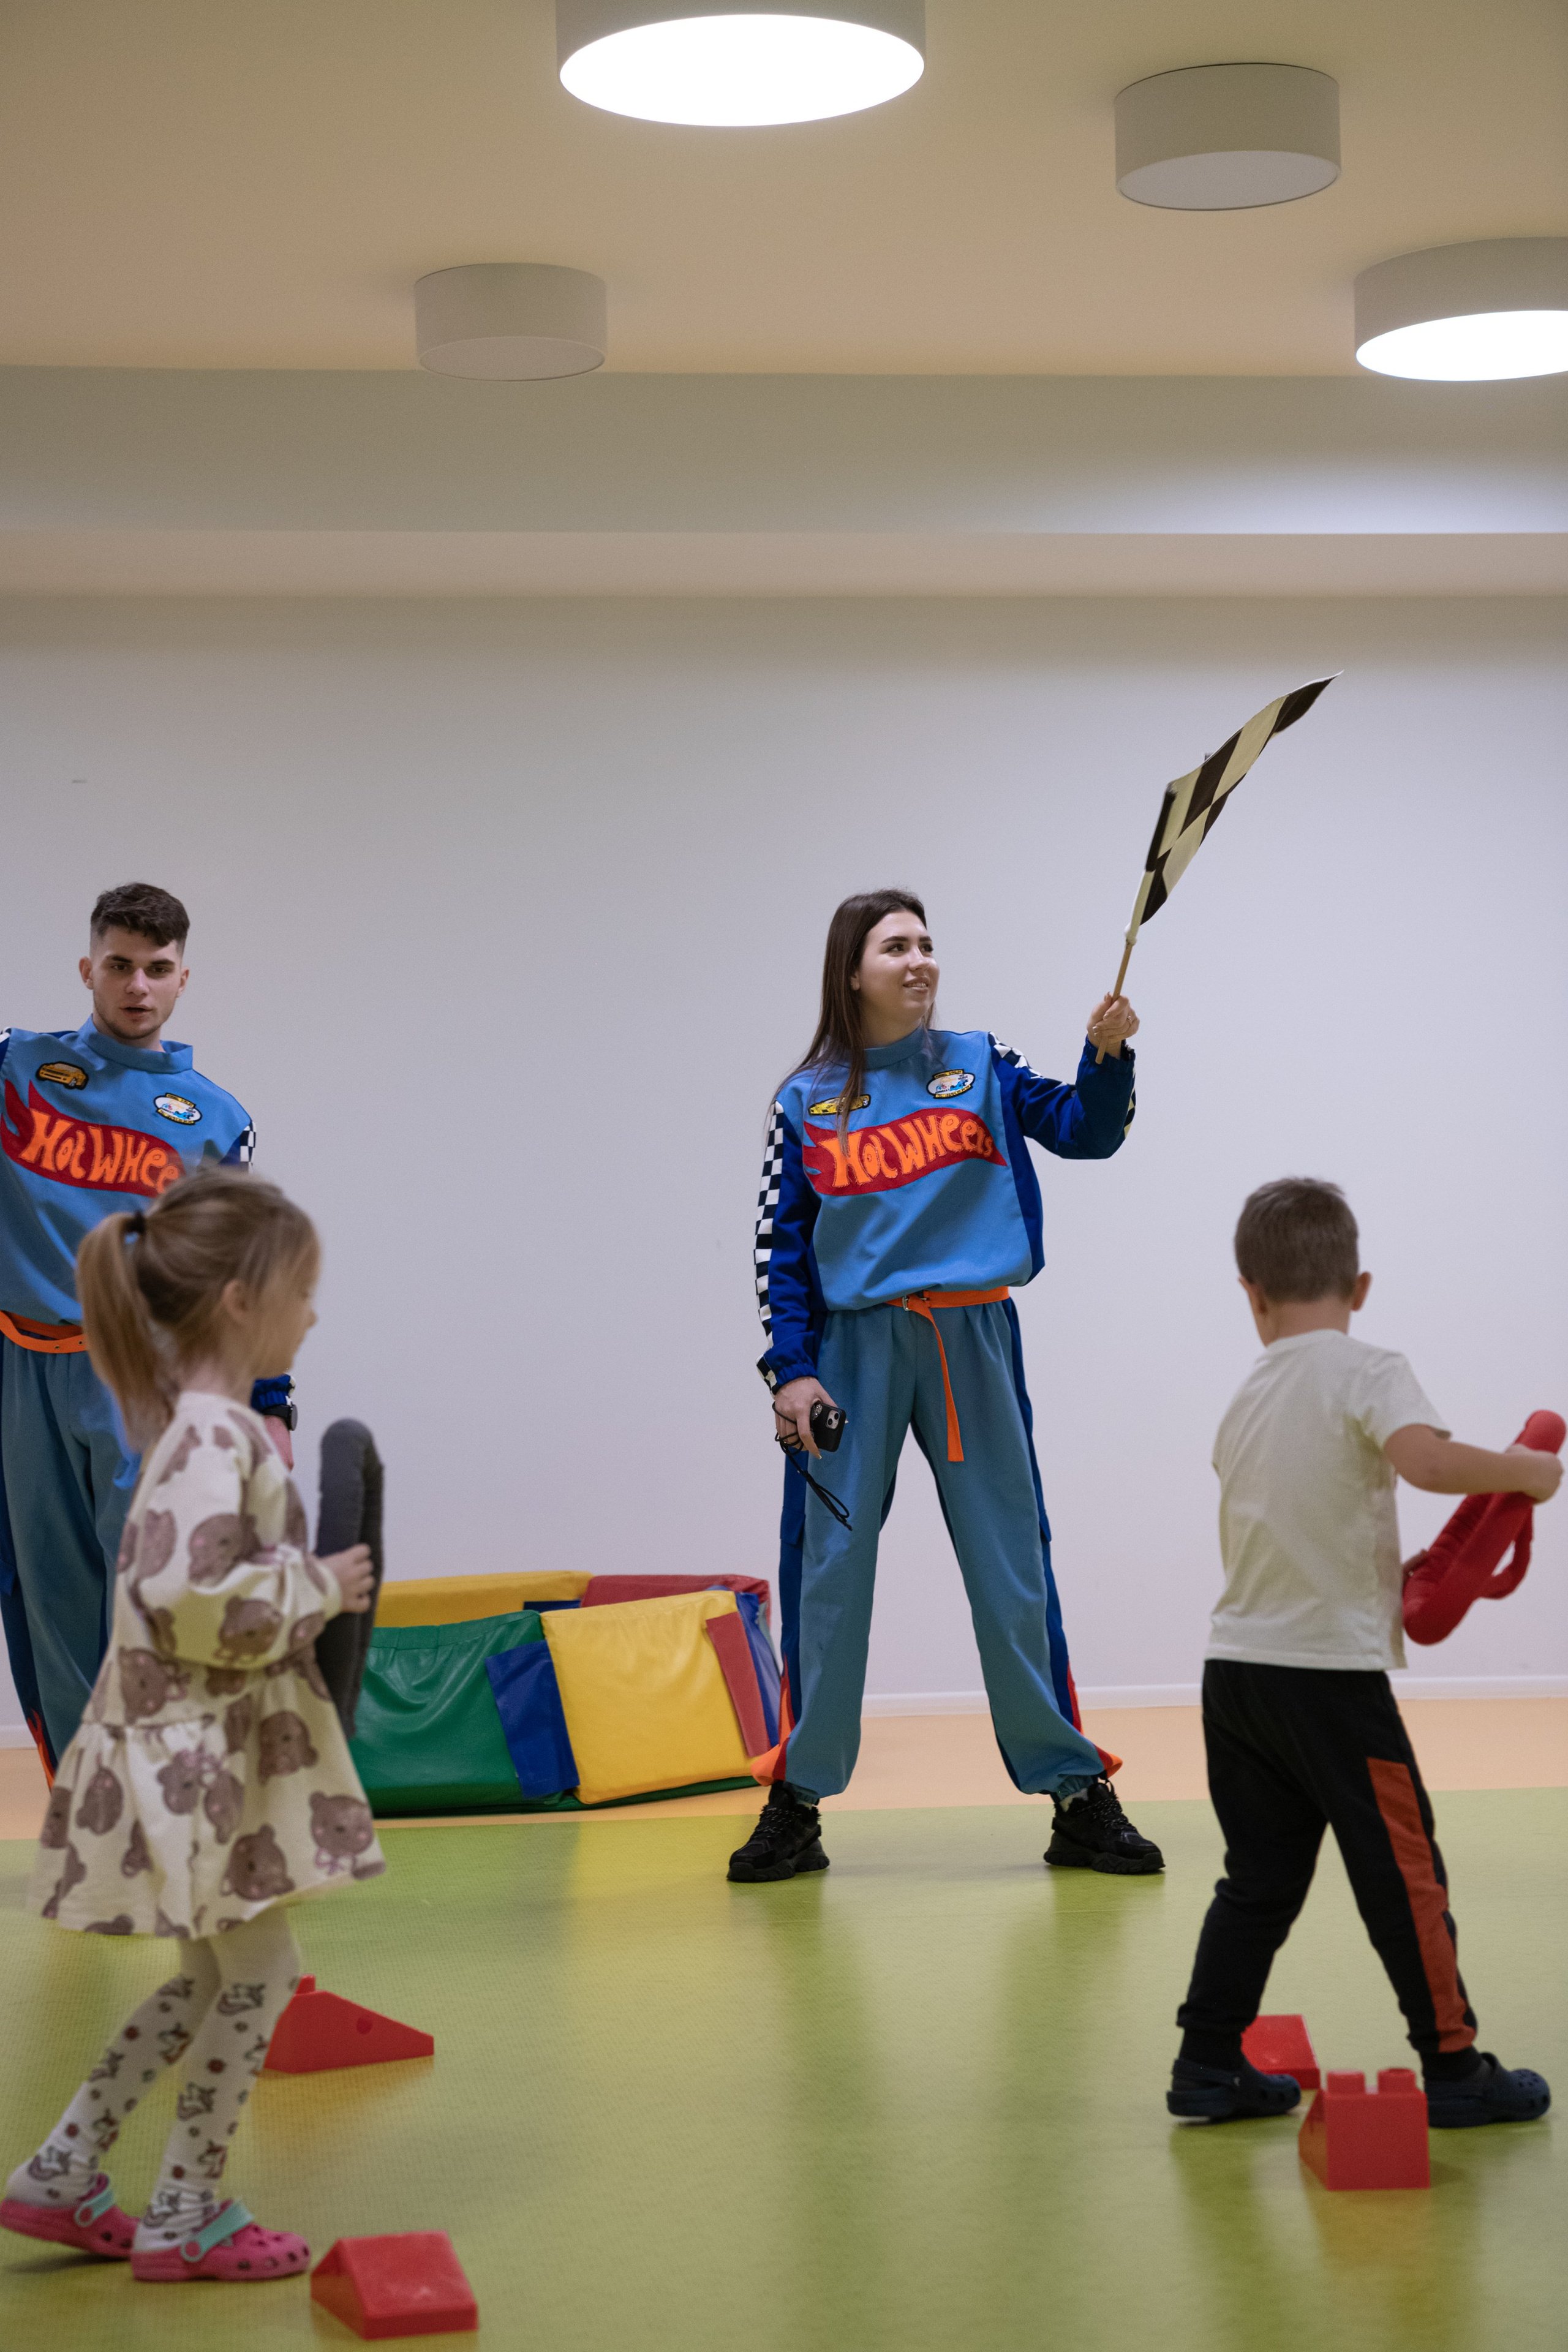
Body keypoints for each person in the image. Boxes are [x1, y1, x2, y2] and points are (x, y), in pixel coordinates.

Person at [730, 888, 1164, 1884]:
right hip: (849, 1355)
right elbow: (779, 1252)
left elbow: (1087, 1133)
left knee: (1014, 1567)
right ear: (853, 972)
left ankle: (1075, 1793)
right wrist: (790, 1371)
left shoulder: (980, 1060)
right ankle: (796, 1802)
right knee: (828, 1578)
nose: (921, 960)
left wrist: (1107, 1058)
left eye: (928, 943)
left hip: (973, 1338)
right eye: (897, 946)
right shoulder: (805, 1101)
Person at [1, 1166, 382, 2282]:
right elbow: (186, 1598)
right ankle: (186, 2213)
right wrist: (320, 1586)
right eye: (303, 1292)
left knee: (214, 1979)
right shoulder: (216, 1439)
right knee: (258, 1975)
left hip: (182, 1759)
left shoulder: (191, 1430)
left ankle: (63, 2172)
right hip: (188, 1766)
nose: (313, 1314)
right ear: (241, 1301)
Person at [1167, 1177, 1557, 2127]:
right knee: (1404, 1876)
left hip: (1235, 1674)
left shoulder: (1241, 1400)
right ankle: (1456, 2073)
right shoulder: (1369, 1367)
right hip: (1330, 1685)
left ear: (1250, 1293)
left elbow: (1309, 1516)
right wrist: (1525, 1474)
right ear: (1362, 1286)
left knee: (1256, 1881)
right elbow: (1425, 1462)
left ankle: (1207, 2068)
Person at [0, 881, 289, 1776]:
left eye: (157, 970)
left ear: (182, 979)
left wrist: (273, 1406)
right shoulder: (15, 1064)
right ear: (89, 967)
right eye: (120, 966)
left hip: (149, 1376)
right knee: (53, 1602)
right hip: (26, 1368)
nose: (137, 986)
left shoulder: (217, 1116)